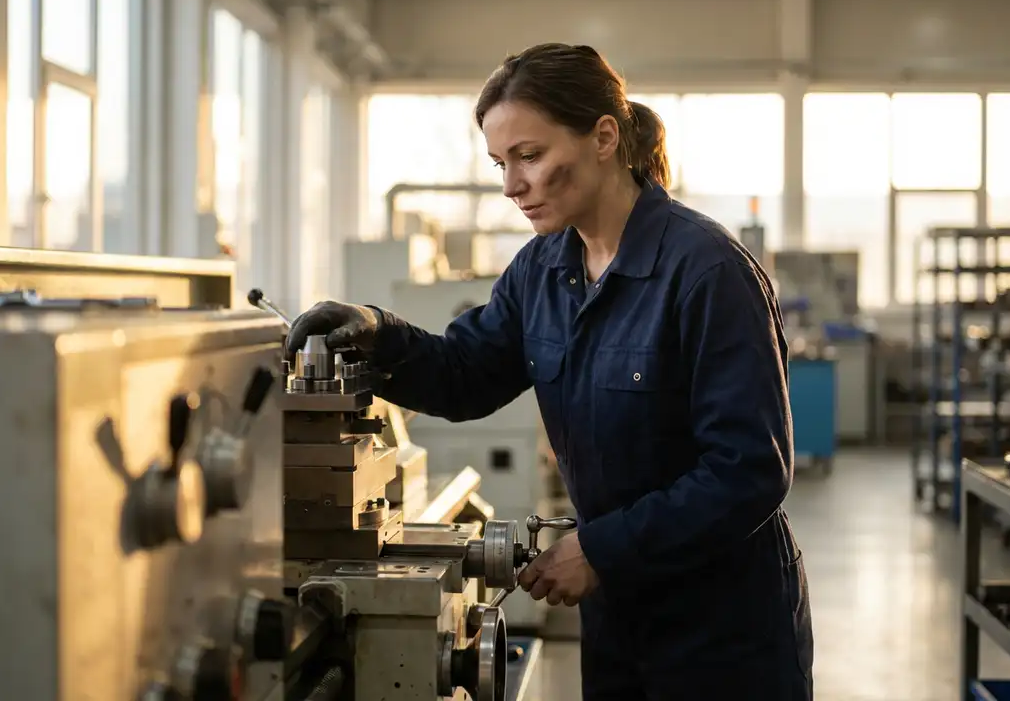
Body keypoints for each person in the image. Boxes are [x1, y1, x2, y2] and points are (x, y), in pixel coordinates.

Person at [285, 43, 814, 700]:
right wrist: (376, 333)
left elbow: (749, 469)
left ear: (603, 137)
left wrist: (602, 550)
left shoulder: (707, 273)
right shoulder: (542, 270)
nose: (511, 185)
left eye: (529, 156)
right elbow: (464, 373)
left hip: (724, 621)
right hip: (620, 615)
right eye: (501, 163)